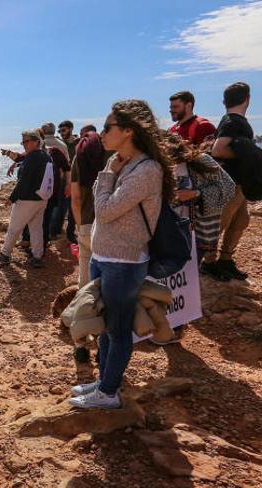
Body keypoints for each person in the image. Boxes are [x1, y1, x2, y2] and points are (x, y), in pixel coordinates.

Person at [69, 99, 174, 409]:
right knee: (104, 325)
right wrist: (110, 171)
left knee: (117, 329)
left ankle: (109, 391)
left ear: (128, 131)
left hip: (124, 263)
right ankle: (104, 383)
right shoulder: (122, 164)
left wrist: (105, 176)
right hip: (106, 258)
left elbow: (104, 209)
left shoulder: (146, 170)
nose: (102, 133)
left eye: (107, 127)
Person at [162, 133, 235, 281]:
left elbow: (228, 187)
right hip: (166, 233)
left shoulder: (201, 161)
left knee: (187, 278)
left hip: (196, 233)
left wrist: (196, 193)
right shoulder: (155, 165)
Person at [211, 82, 253, 280]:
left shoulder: (232, 120)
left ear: (224, 101)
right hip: (231, 182)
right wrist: (247, 155)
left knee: (241, 220)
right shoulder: (233, 121)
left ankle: (225, 260)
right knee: (220, 223)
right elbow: (218, 150)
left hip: (240, 182)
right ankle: (208, 262)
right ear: (247, 99)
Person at [0, 130, 51, 268]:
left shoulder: (32, 157)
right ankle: (37, 257)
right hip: (42, 198)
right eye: (23, 142)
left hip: (27, 199)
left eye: (26, 141)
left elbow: (24, 181)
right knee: (36, 228)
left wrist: (12, 198)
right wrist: (9, 154)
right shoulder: (45, 156)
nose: (24, 144)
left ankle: (5, 255)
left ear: (36, 141)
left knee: (14, 228)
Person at [69, 124, 108, 287]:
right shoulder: (114, 155)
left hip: (86, 222)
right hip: (111, 226)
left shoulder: (79, 156)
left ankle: (86, 311)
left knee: (85, 285)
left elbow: (76, 199)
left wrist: (80, 227)